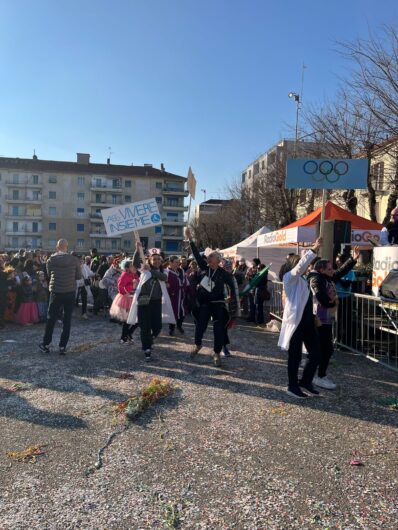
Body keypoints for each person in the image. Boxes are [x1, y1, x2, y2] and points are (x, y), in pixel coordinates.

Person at [307, 246, 360, 390]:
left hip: (325, 318)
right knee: (322, 349)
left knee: (325, 349)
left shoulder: (325, 277)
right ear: (321, 269)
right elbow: (321, 297)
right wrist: (333, 301)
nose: (332, 271)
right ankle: (317, 376)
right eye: (329, 269)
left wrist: (353, 260)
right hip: (318, 320)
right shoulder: (316, 279)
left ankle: (317, 375)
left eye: (331, 268)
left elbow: (340, 272)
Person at [185, 227, 238, 367]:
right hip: (204, 303)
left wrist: (231, 298)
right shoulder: (204, 268)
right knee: (200, 327)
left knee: (219, 330)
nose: (207, 258)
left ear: (218, 259)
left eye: (211, 256)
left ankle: (216, 353)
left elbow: (233, 286)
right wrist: (190, 240)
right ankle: (197, 345)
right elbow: (196, 255)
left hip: (218, 304)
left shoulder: (224, 273)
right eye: (208, 257)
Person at [278, 238, 323, 399]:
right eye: (300, 264)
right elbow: (299, 267)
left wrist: (314, 315)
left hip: (307, 321)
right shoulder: (289, 278)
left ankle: (305, 381)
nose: (305, 267)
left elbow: (307, 300)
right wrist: (314, 248)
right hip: (295, 323)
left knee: (317, 353)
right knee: (295, 356)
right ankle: (292, 386)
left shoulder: (303, 280)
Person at [127, 244, 175, 361]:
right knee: (145, 327)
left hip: (156, 302)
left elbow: (162, 277)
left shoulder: (165, 271)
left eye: (159, 259)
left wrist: (152, 271)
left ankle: (150, 339)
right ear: (149, 259)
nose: (157, 261)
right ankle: (147, 349)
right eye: (154, 259)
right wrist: (137, 250)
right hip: (143, 302)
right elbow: (135, 263)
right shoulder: (144, 268)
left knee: (157, 327)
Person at [39, 239, 82, 355]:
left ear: (57, 248)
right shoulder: (74, 260)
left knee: (51, 318)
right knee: (67, 320)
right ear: (66, 247)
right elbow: (78, 276)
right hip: (70, 291)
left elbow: (48, 274)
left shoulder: (51, 260)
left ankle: (46, 344)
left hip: (56, 291)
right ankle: (62, 346)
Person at [109, 257, 140, 344]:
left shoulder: (136, 275)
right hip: (126, 299)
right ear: (127, 268)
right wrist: (132, 286)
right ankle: (123, 337)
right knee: (128, 320)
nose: (135, 268)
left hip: (134, 298)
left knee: (138, 319)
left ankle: (129, 333)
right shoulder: (124, 275)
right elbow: (120, 287)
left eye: (135, 266)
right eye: (132, 266)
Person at [335, 253, 357, 348]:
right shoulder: (337, 271)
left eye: (339, 262)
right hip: (337, 299)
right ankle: (338, 340)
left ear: (344, 262)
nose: (337, 264)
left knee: (345, 321)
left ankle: (346, 342)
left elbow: (346, 285)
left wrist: (337, 277)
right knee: (338, 321)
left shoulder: (350, 272)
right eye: (336, 262)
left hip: (346, 299)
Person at [167, 255, 189, 336]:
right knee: (173, 312)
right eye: (176, 262)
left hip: (181, 294)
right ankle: (171, 328)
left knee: (182, 312)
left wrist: (187, 290)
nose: (178, 264)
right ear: (171, 263)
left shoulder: (181, 271)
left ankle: (179, 326)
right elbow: (166, 284)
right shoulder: (167, 272)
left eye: (178, 262)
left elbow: (185, 281)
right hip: (173, 296)